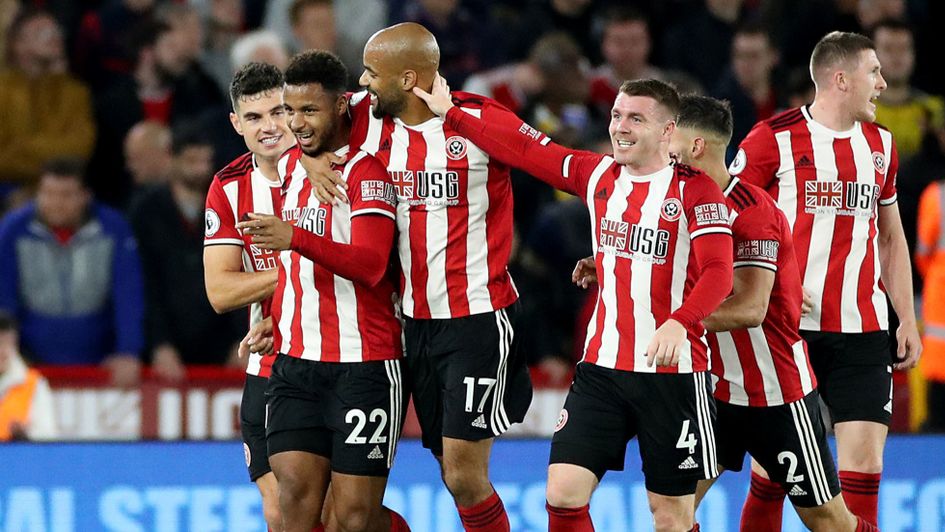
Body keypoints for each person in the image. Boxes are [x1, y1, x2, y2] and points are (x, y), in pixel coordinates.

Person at [414, 76, 734, 532]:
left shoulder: (696, 191)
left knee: (671, 516)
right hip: (601, 370)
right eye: (617, 115)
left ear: (668, 131)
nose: (620, 127)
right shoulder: (600, 175)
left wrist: (680, 322)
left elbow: (719, 273)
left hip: (674, 378)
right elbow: (527, 149)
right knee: (562, 496)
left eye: (635, 118)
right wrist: (453, 113)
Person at [311, 23, 533, 531]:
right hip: (410, 322)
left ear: (407, 78)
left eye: (371, 72)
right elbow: (298, 120)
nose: (362, 82)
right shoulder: (365, 116)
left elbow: (563, 168)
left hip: (477, 317)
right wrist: (311, 154)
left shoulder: (479, 120)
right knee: (387, 489)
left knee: (463, 475)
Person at [729, 30, 922, 528]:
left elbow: (890, 238)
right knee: (775, 472)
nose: (882, 82)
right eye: (872, 72)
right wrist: (765, 285)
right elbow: (720, 218)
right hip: (789, 333)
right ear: (841, 79)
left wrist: (907, 318)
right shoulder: (771, 139)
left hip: (863, 330)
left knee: (867, 466)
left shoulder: (881, 146)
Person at [671, 95, 874, 532]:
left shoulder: (752, 211)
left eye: (672, 146)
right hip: (720, 394)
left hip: (777, 393)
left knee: (831, 522)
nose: (664, 156)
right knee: (672, 511)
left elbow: (750, 308)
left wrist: (672, 320)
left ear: (697, 148)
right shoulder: (678, 207)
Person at [237, 50, 409, 532]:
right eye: (290, 110)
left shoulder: (367, 175)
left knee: (353, 519)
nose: (295, 122)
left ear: (339, 107)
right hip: (294, 366)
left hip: (364, 366)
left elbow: (372, 265)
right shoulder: (294, 166)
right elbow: (295, 268)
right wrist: (280, 313)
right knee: (293, 508)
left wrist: (297, 238)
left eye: (308, 111)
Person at [202, 62, 296, 532]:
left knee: (345, 512)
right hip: (268, 365)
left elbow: (366, 262)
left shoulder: (335, 168)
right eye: (255, 117)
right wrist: (293, 281)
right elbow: (220, 291)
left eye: (278, 111)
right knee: (279, 509)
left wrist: (284, 292)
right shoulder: (230, 186)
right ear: (237, 124)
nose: (270, 127)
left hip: (342, 359)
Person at [0, 159, 145, 387]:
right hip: (30, 362)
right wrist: (8, 352)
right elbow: (4, 297)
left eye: (66, 195)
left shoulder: (114, 228)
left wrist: (128, 351)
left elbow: (127, 294)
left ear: (85, 196)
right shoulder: (13, 230)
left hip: (100, 362)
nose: (55, 203)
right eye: (48, 193)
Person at [0, 311, 57, 441]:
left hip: (18, 458)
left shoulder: (34, 384)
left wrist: (26, 434)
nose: (3, 351)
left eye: (8, 343)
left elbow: (47, 435)